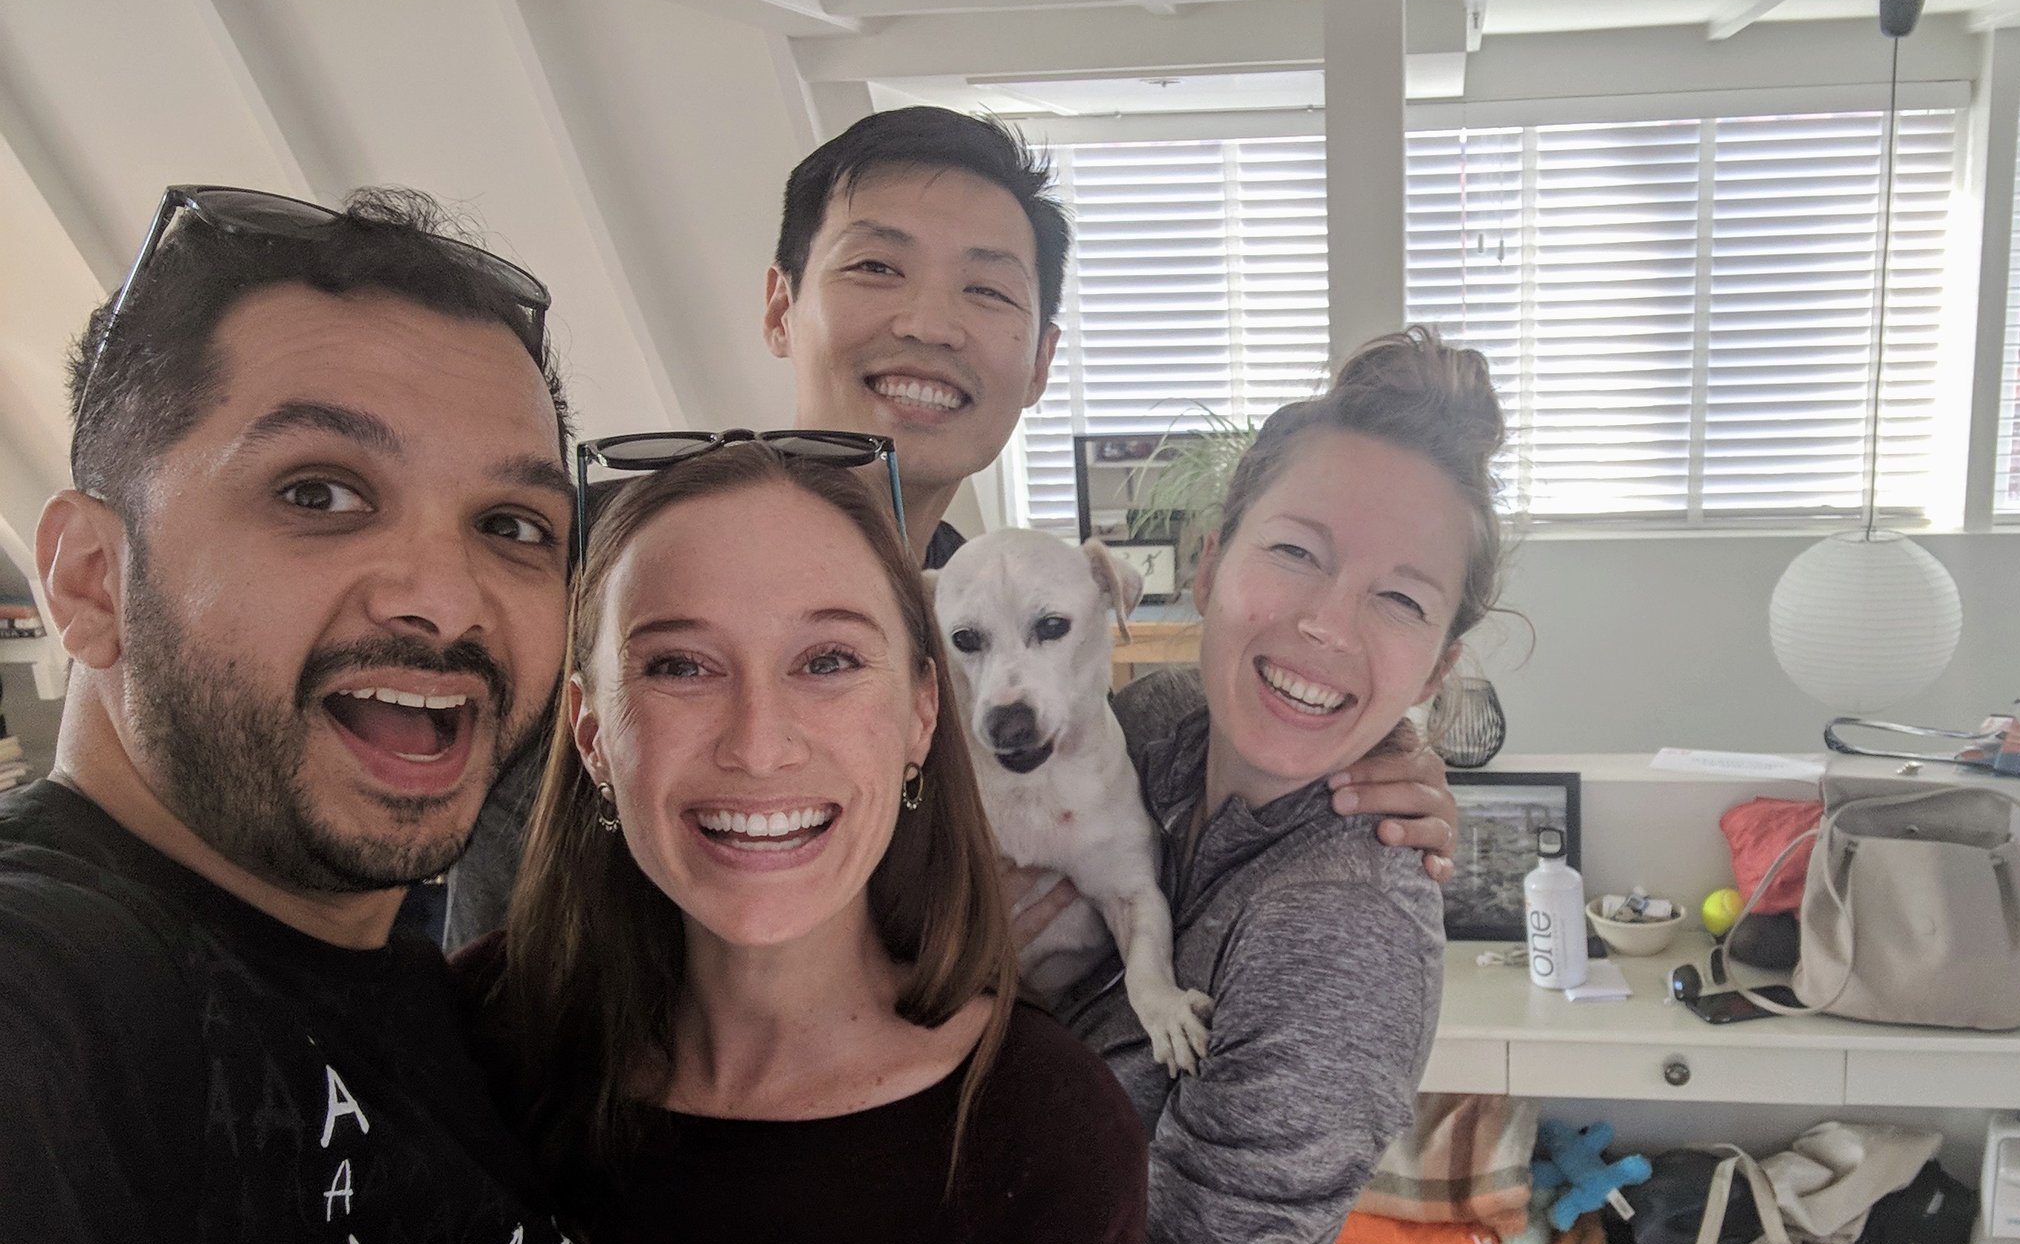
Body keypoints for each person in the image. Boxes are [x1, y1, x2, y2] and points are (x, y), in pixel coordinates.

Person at [0, 188, 584, 1244]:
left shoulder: (420, 982)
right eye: (319, 490)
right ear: (87, 577)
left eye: (513, 523)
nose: (444, 596)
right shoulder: (61, 996)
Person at [445, 107, 1456, 947]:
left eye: (985, 289)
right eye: (877, 269)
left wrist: (1365, 767)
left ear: (1041, 362)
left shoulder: (967, 591)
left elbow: (1156, 744)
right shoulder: (601, 560)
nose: (931, 323)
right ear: (777, 306)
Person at [462, 440, 1148, 1244]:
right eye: (676, 665)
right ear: (589, 733)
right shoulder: (461, 1060)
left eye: (829, 661)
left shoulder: (1046, 1143)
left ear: (920, 713)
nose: (759, 742)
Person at [1046, 328, 1511, 1244]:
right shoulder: (1145, 734)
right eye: (1296, 551)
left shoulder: (1344, 922)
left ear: (1437, 667)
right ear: (1209, 564)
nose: (1324, 622)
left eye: (1401, 599)